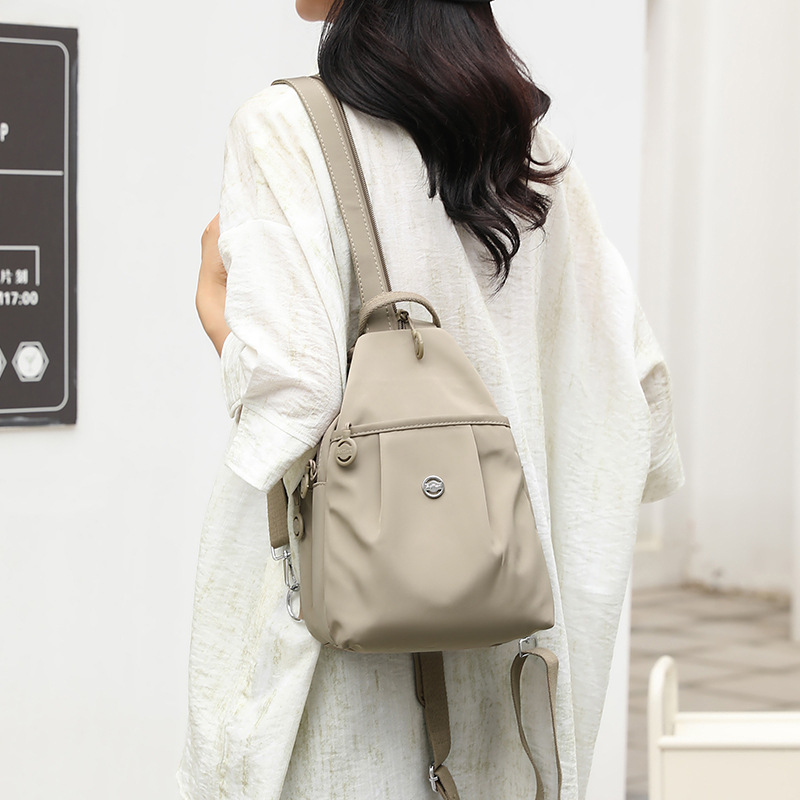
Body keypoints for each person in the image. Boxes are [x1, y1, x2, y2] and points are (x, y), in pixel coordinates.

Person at [182, 1, 684, 798]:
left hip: (345, 675)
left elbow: (297, 391)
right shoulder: (528, 151)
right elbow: (638, 392)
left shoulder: (286, 127)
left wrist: (216, 310)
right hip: (508, 652)